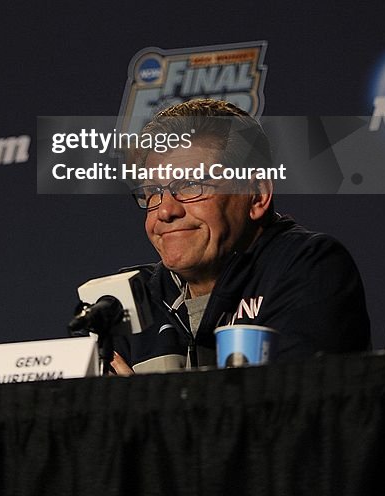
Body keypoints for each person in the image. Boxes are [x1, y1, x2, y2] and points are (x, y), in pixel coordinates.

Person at [111, 98, 371, 374]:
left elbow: (296, 411)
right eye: (153, 191)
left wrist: (138, 404)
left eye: (190, 185)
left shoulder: (309, 268)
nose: (165, 211)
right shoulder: (128, 300)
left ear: (256, 196)